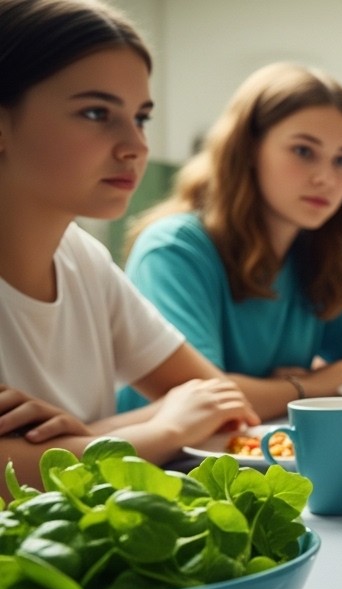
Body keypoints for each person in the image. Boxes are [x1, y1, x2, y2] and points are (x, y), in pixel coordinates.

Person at [0, 0, 257, 489]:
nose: (136, 146)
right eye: (96, 112)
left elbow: (221, 402)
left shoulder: (83, 259)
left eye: (140, 117)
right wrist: (162, 429)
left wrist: (94, 437)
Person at [121, 62, 342, 420]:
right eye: (304, 151)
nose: (326, 177)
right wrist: (311, 387)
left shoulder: (315, 256)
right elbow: (206, 404)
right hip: (169, 470)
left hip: (267, 459)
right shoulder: (174, 249)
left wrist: (295, 385)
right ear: (247, 150)